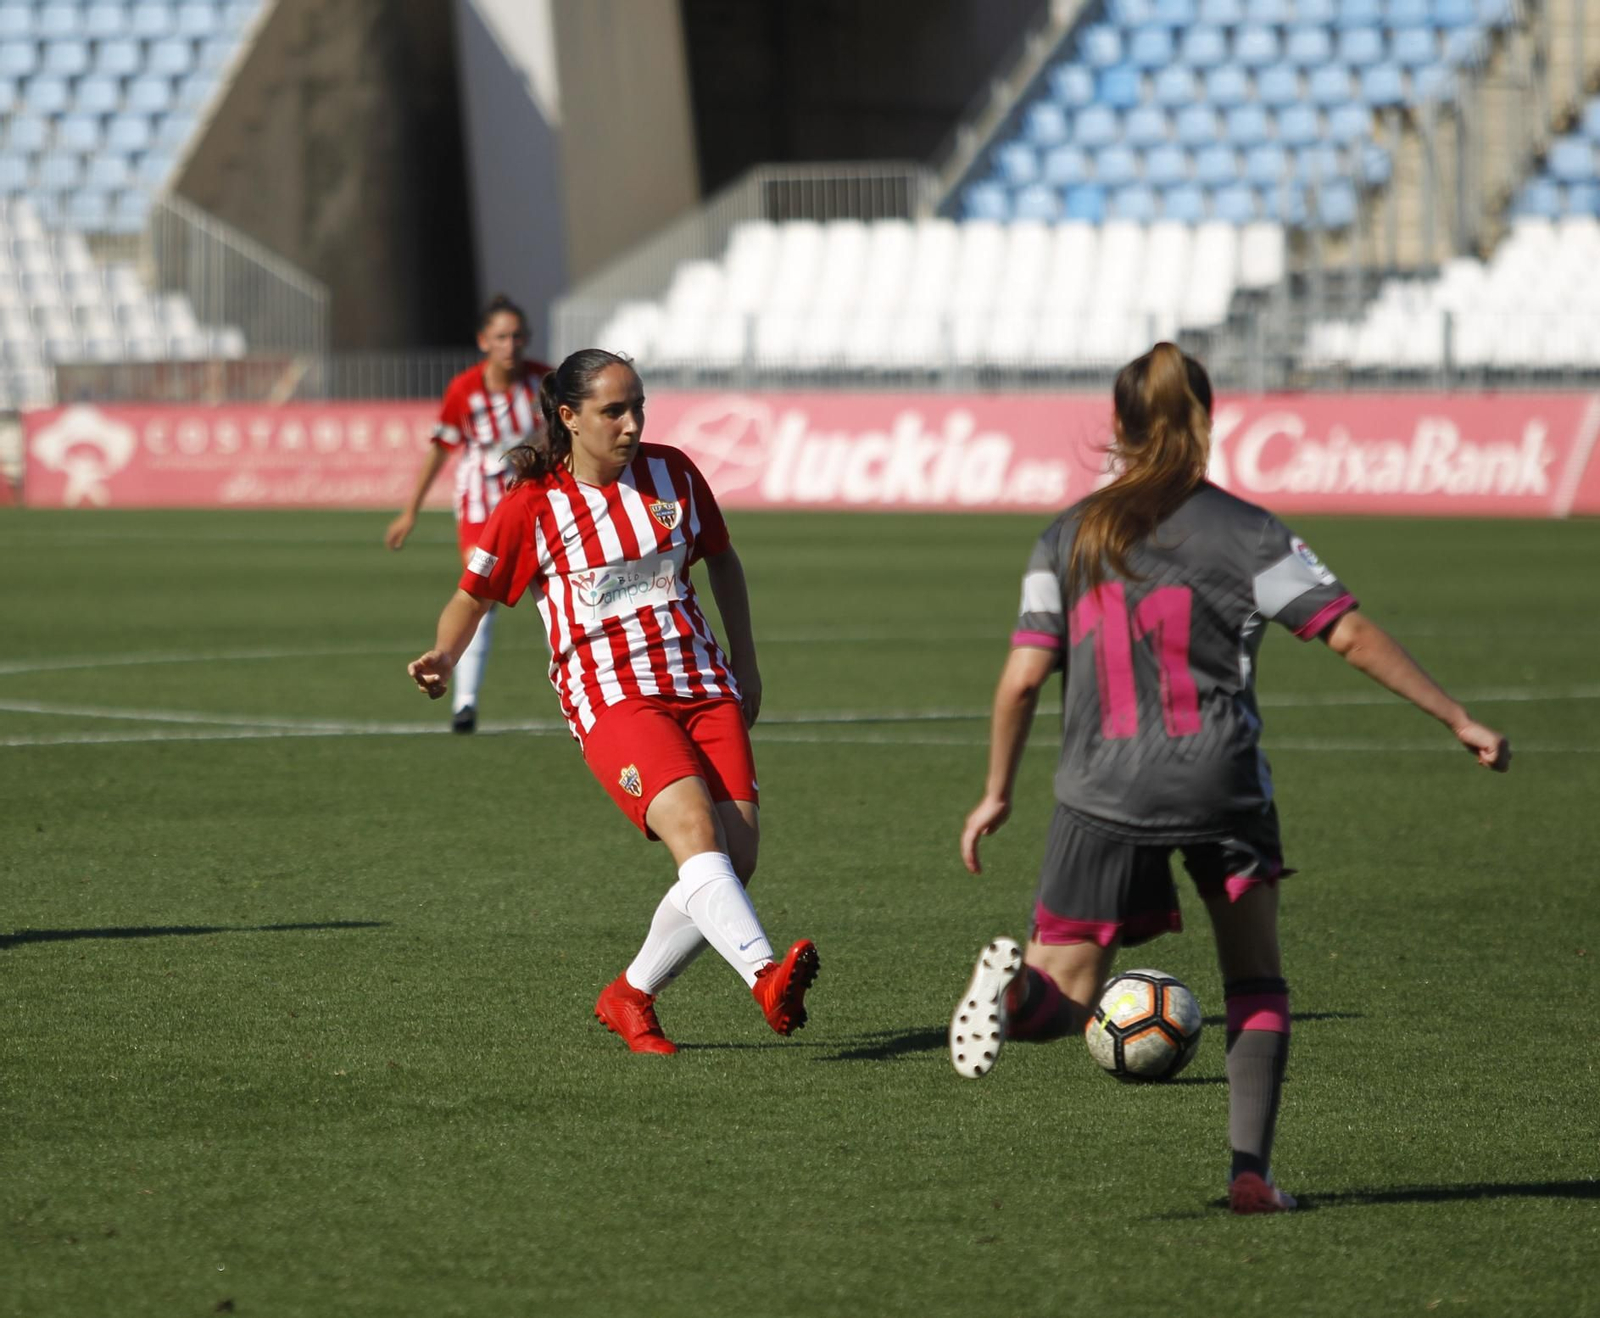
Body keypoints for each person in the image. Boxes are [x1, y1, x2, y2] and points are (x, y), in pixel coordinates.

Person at [950, 343, 1510, 1214]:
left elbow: (1023, 678)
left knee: (1065, 995)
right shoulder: (1249, 531)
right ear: (1205, 419)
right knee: (1254, 981)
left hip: (1101, 791)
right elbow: (1347, 633)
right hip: (1221, 783)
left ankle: (1013, 986)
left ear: (1119, 426)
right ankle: (1251, 1176)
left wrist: (996, 792)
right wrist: (1456, 715)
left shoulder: (1068, 534)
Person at [406, 348, 818, 1053]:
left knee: (734, 859)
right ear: (568, 418)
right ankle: (763, 976)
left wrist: (746, 665)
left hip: (701, 683)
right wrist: (444, 656)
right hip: (611, 696)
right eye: (613, 411)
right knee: (696, 835)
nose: (631, 425)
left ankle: (629, 996)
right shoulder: (532, 506)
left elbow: (722, 557)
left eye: (639, 408)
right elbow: (469, 597)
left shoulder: (674, 472)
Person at [386, 293, 553, 733]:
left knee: (552, 591)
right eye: (501, 336)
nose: (510, 344)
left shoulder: (544, 382)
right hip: (482, 503)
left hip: (535, 497)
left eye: (518, 336)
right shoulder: (465, 390)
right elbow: (440, 450)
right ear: (484, 341)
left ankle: (575, 686)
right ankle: (465, 703)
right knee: (482, 592)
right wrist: (410, 512)